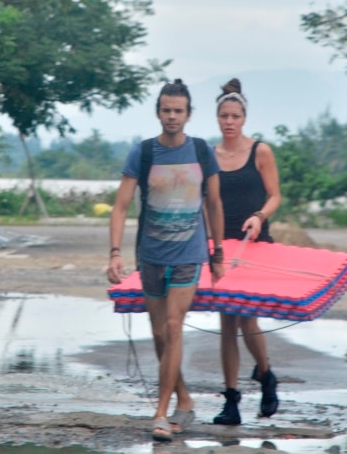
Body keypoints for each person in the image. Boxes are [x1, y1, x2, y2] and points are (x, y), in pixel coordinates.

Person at [106, 79, 226, 442]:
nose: (171, 116)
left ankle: (160, 413)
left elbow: (215, 204)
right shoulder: (142, 153)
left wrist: (217, 252)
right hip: (151, 256)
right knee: (159, 333)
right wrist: (115, 252)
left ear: (188, 114)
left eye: (178, 110)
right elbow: (121, 206)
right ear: (158, 112)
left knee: (174, 327)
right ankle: (184, 399)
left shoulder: (203, 152)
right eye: (166, 110)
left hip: (189, 255)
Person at [211, 77, 282, 425]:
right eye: (224, 116)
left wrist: (259, 216)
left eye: (235, 116)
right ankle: (232, 402)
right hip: (222, 247)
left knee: (247, 319)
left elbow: (275, 196)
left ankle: (266, 376)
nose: (229, 122)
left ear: (244, 117)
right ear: (217, 118)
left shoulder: (261, 151)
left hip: (256, 245)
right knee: (227, 323)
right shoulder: (209, 156)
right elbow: (205, 202)